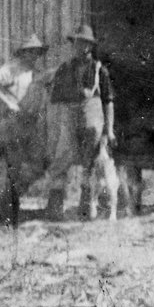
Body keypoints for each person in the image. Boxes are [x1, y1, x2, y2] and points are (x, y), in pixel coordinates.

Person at [42, 24, 117, 221]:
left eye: (84, 43)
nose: (80, 47)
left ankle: (86, 208)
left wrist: (109, 130)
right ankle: (54, 207)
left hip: (92, 124)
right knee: (61, 161)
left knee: (89, 164)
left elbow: (108, 101)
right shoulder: (65, 69)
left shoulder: (100, 70)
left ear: (90, 46)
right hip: (69, 122)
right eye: (77, 42)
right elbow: (55, 100)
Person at [0, 34, 49, 225]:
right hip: (11, 123)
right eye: (31, 52)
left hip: (29, 124)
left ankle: (5, 199)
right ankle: (5, 210)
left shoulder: (34, 72)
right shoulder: (12, 68)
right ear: (24, 53)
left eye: (37, 53)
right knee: (12, 165)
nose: (35, 56)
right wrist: (8, 102)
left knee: (39, 164)